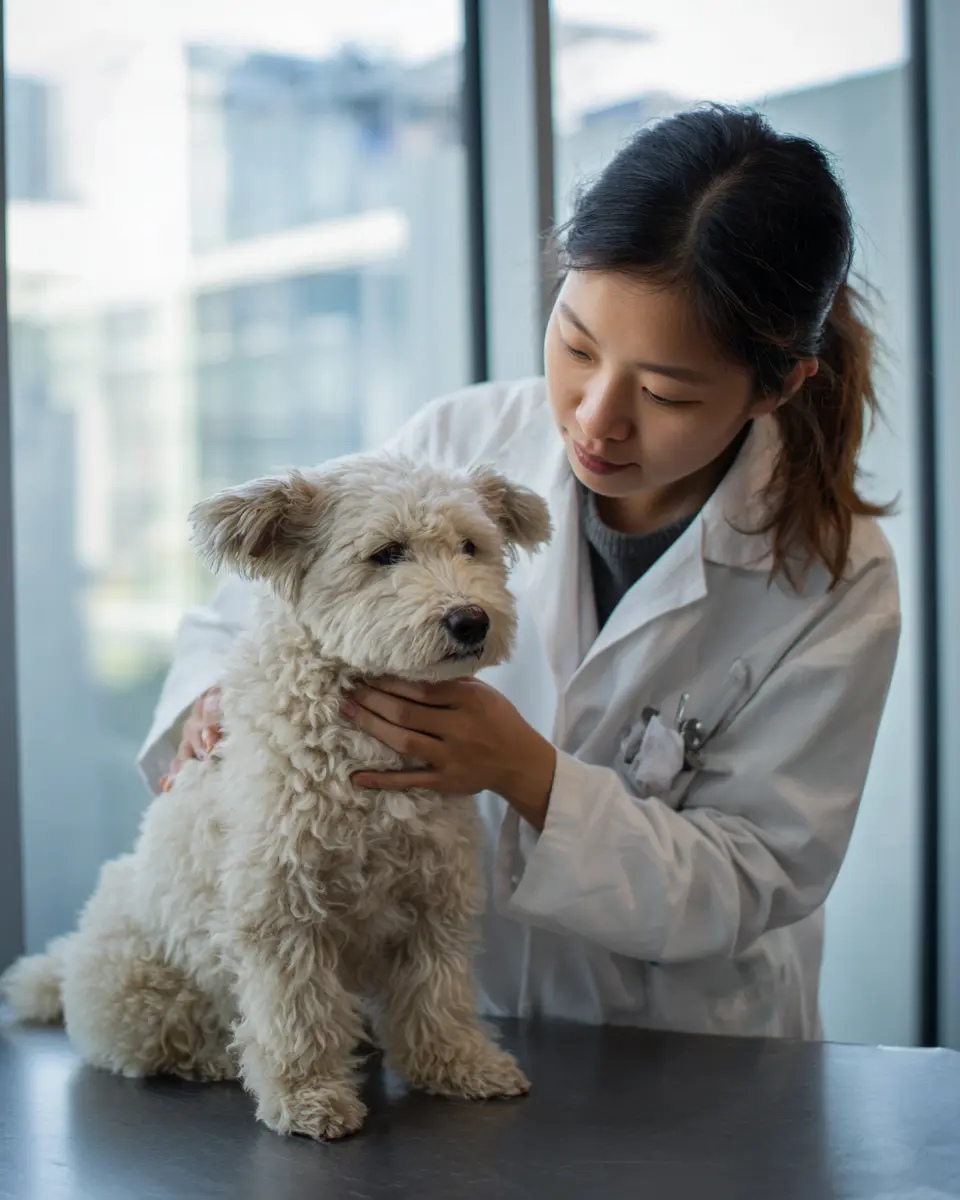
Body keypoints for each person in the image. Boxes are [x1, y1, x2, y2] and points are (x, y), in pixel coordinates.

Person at [139, 106, 900, 1039]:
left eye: (664, 392)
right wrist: (212, 705)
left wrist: (528, 774)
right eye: (576, 345)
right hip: (446, 1014)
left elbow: (752, 876)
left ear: (777, 385)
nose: (596, 418)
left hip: (681, 1045)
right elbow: (244, 613)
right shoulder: (459, 441)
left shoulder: (835, 581)